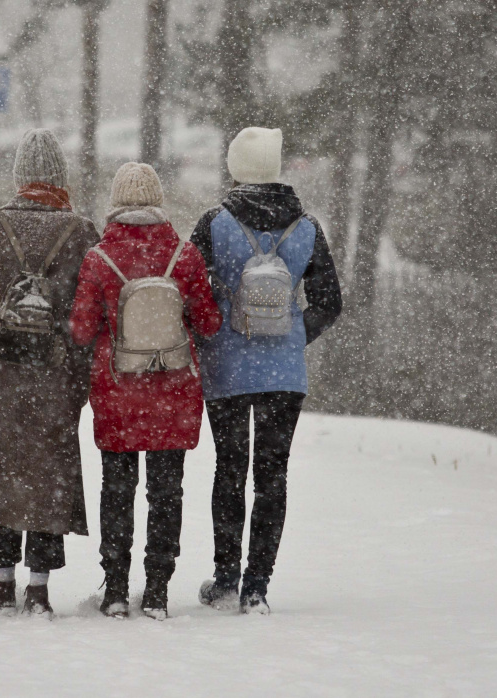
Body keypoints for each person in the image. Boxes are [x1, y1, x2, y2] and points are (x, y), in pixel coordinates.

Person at [190, 127, 342, 614]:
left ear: (236, 168)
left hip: (227, 368)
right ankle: (258, 587)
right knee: (272, 478)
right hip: (284, 374)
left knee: (229, 471)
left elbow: (189, 289)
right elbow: (328, 302)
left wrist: (215, 330)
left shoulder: (214, 224)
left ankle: (226, 579)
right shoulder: (308, 229)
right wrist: (295, 334)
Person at [0, 129, 98, 619]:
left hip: (2, 375)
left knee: (5, 466)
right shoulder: (80, 232)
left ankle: (1, 583)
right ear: (59, 176)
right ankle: (39, 588)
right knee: (50, 470)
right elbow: (91, 312)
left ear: (18, 178)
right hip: (57, 375)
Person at [70, 162, 222, 620]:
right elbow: (210, 324)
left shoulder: (99, 259)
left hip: (118, 393)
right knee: (166, 491)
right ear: (158, 201)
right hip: (173, 395)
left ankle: (116, 590)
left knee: (117, 490)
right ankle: (157, 590)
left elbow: (79, 330)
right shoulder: (186, 255)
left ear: (116, 203)